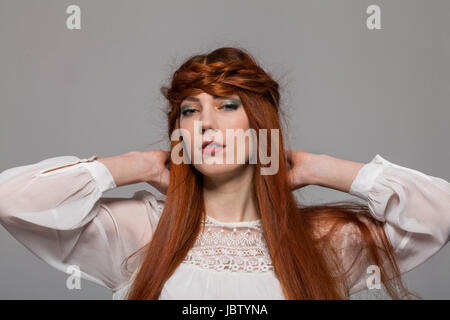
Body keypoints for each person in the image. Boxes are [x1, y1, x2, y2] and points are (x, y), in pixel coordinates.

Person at [0, 47, 449, 300]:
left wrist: (321, 168)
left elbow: (440, 215)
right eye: (189, 111)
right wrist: (133, 165)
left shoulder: (322, 240)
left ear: (260, 122)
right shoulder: (143, 229)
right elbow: (12, 199)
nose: (205, 123)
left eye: (227, 106)